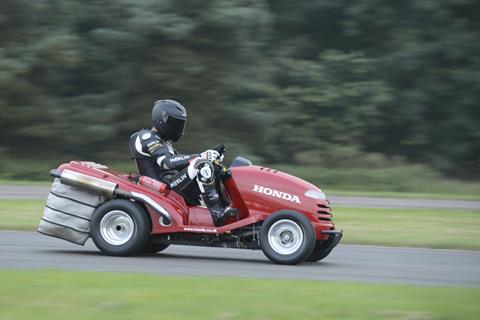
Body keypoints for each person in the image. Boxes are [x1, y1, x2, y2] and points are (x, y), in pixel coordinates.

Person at [129, 99, 237, 226]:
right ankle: (217, 214)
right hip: (162, 188)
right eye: (174, 123)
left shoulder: (165, 143)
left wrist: (212, 158)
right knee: (201, 164)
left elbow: (180, 162)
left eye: (180, 124)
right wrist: (202, 156)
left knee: (215, 167)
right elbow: (167, 163)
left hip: (173, 184)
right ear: (161, 118)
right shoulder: (146, 137)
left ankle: (228, 207)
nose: (177, 128)